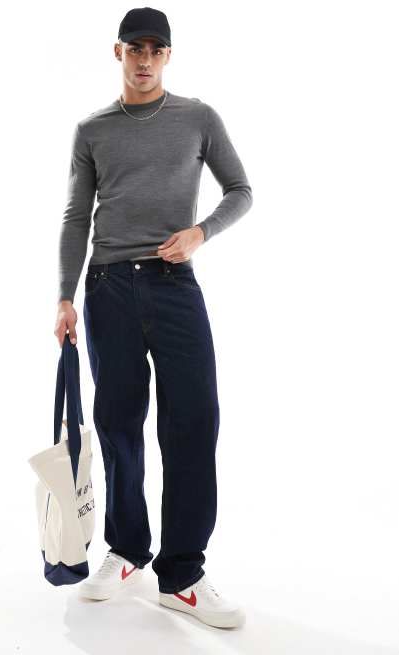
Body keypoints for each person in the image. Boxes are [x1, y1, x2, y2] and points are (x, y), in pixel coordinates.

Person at [54, 7, 253, 629]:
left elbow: (241, 190)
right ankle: (127, 550)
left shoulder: (198, 118)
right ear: (117, 52)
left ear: (168, 55)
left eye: (155, 50)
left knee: (194, 420)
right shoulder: (92, 130)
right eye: (134, 48)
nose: (144, 59)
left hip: (173, 286)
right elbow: (76, 217)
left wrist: (200, 232)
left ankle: (183, 573)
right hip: (108, 286)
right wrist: (65, 296)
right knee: (118, 424)